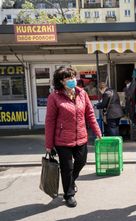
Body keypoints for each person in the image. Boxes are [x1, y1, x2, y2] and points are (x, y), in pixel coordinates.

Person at [45, 67, 102, 208]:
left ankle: (70, 181)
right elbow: (50, 121)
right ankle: (69, 194)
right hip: (62, 140)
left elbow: (89, 114)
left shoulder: (82, 93)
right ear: (61, 81)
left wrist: (97, 132)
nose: (72, 80)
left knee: (81, 162)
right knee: (67, 168)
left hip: (81, 137)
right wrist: (49, 144)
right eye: (68, 78)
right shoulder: (54, 97)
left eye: (73, 77)